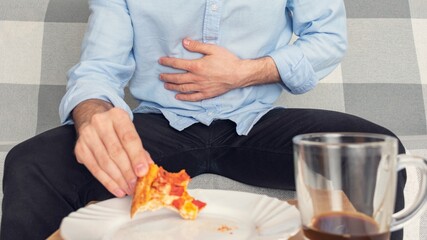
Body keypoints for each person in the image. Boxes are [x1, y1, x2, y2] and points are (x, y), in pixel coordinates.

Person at [1, 0, 405, 239]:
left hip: (256, 121)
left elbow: (328, 39)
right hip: (159, 125)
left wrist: (246, 72)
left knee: (381, 153)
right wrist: (92, 116)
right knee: (30, 164)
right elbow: (98, 68)